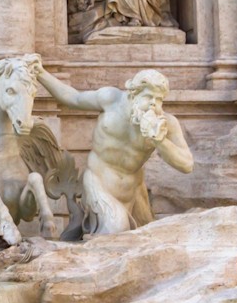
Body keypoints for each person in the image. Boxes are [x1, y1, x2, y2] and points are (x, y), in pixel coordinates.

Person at [36, 66, 193, 234]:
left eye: (159, 99)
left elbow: (187, 165)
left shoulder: (166, 124)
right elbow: (73, 98)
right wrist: (40, 73)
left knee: (146, 238)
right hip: (98, 182)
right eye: (148, 97)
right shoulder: (111, 100)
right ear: (134, 95)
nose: (154, 104)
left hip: (133, 192)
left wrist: (159, 141)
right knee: (116, 230)